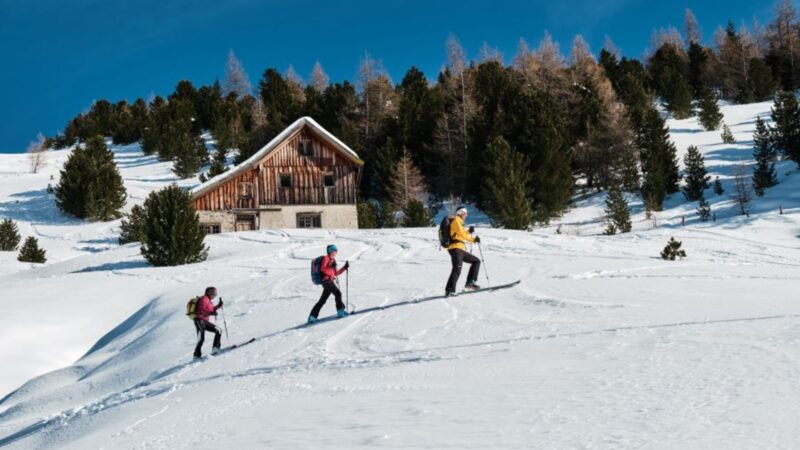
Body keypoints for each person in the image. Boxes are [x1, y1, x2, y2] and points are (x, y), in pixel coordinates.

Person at [308, 245, 350, 323]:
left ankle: (312, 316)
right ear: (331, 251)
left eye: (336, 251)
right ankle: (340, 311)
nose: (336, 252)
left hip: (328, 281)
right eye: (335, 250)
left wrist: (344, 267)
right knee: (338, 293)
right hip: (326, 281)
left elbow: (335, 273)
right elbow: (322, 269)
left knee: (322, 300)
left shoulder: (332, 260)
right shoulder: (326, 258)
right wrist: (331, 268)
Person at [445, 206, 481, 296]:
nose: (466, 215)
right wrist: (473, 240)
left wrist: (469, 231)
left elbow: (461, 234)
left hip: (459, 249)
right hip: (455, 248)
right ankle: (450, 290)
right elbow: (462, 235)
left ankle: (470, 283)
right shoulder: (456, 220)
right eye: (465, 213)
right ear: (461, 213)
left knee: (476, 261)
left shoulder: (459, 222)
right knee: (457, 269)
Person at [194, 286, 223, 358]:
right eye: (213, 293)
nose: (214, 295)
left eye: (215, 293)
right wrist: (211, 313)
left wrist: (219, 305)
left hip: (204, 321)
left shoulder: (209, 301)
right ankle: (197, 355)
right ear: (208, 292)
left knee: (218, 330)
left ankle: (215, 348)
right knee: (201, 339)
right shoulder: (203, 299)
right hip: (199, 320)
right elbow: (201, 311)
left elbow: (212, 309)